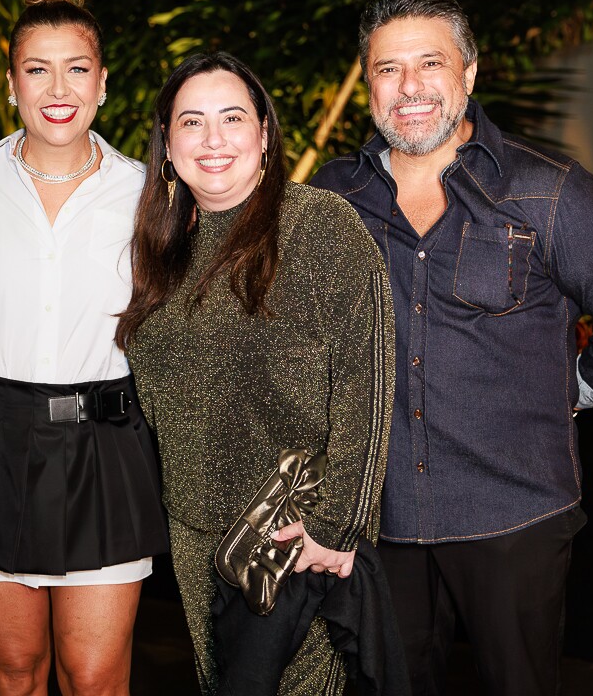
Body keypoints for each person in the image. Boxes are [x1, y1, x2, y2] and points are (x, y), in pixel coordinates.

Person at [311, 0, 593, 695]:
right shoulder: (335, 199)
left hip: (512, 514)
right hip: (381, 518)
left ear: (468, 74)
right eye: (388, 69)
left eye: (430, 64)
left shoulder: (545, 191)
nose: (409, 87)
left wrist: (574, 387)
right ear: (368, 83)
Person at [117, 51, 396, 695]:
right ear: (167, 144)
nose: (212, 140)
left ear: (264, 133)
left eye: (232, 118)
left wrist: (337, 528)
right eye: (191, 122)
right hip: (195, 535)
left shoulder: (320, 226)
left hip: (292, 534)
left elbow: (368, 384)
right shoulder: (160, 245)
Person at [0, 0, 170, 696]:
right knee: (13, 674)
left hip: (108, 445)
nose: (58, 90)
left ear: (103, 82)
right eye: (37, 70)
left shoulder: (150, 195)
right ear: (11, 84)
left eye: (76, 69)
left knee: (94, 678)